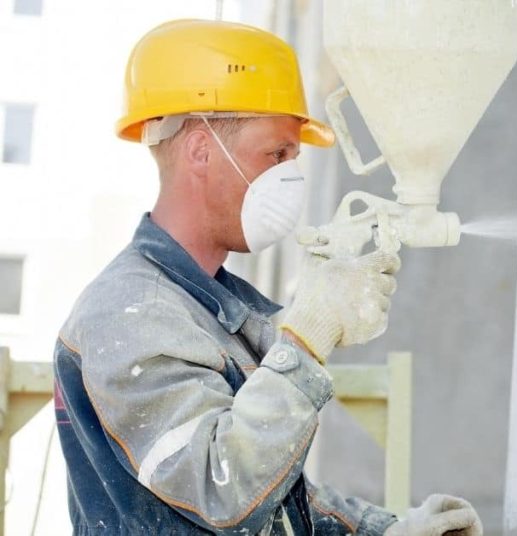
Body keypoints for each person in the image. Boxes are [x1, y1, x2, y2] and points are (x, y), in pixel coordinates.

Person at [52, 19, 482, 536]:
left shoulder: (214, 308)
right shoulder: (130, 315)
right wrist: (306, 337)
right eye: (276, 154)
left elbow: (279, 498)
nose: (289, 178)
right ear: (200, 150)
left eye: (293, 158)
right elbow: (225, 489)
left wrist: (385, 531)